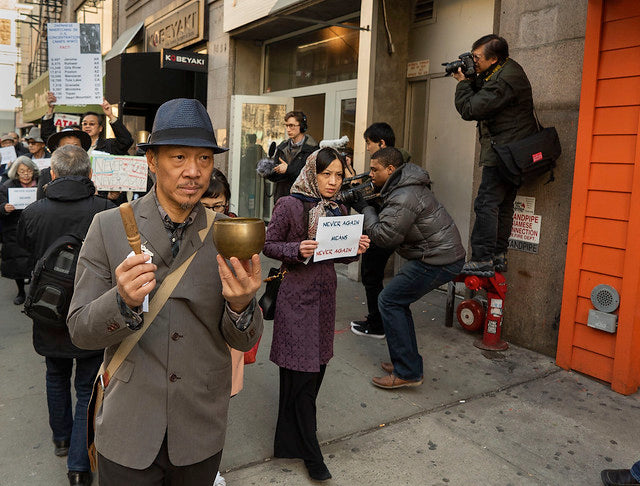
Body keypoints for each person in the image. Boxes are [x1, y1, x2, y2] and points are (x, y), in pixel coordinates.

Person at [66, 98, 263, 484]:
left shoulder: (228, 231)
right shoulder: (107, 227)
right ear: (152, 162)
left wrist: (241, 306)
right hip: (128, 427)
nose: (193, 172)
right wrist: (120, 301)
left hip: (200, 426)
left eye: (204, 159)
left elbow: (246, 339)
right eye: (178, 157)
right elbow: (80, 330)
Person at [263, 147, 370, 481]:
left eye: (339, 175)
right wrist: (296, 249)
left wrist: (355, 250)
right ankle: (312, 455)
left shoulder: (338, 207)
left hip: (324, 298)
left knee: (315, 371)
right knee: (302, 378)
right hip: (295, 299)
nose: (333, 181)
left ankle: (288, 442)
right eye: (327, 174)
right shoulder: (290, 204)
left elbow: (337, 255)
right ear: (312, 172)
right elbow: (267, 244)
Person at [17, 145, 115, 486]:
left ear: (53, 175)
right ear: (90, 175)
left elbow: (25, 250)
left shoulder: (33, 211)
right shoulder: (107, 209)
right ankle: (78, 466)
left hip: (48, 308)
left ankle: (61, 438)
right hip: (92, 308)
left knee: (54, 373)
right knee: (88, 385)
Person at [351, 147, 465, 389]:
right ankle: (407, 362)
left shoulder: (404, 195)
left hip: (439, 259)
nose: (370, 174)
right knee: (396, 302)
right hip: (438, 255)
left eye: (375, 169)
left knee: (389, 301)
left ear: (391, 169)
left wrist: (365, 208)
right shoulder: (402, 185)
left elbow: (384, 236)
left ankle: (408, 371)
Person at [452, 34, 538, 277]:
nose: (473, 61)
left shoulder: (506, 79)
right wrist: (471, 77)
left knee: (486, 203)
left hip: (504, 151)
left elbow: (471, 108)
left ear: (494, 58)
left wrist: (462, 82)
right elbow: (485, 93)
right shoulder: (504, 71)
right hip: (511, 151)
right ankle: (498, 256)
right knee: (501, 204)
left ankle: (482, 259)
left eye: (477, 57)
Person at [350, 122, 410, 339]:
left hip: (383, 232)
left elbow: (381, 204)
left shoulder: (394, 171)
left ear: (382, 143)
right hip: (382, 228)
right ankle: (377, 319)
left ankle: (378, 324)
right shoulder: (397, 167)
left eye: (369, 143)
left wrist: (364, 206)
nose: (366, 148)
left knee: (372, 276)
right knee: (372, 276)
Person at [42, 92, 134, 156]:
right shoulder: (74, 144)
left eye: (92, 124)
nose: (87, 126)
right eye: (85, 124)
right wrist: (50, 109)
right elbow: (47, 136)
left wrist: (110, 115)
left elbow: (126, 141)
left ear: (100, 128)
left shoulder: (108, 145)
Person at [0, 156, 39, 304]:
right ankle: (21, 291)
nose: (26, 174)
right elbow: (0, 208)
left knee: (36, 261)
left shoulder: (40, 185)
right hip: (14, 230)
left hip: (35, 229)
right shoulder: (6, 186)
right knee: (17, 263)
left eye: (29, 171)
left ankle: (35, 292)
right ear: (16, 172)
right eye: (22, 171)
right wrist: (4, 208)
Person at [270, 111, 318, 203]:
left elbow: (310, 176)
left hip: (302, 200)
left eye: (292, 125)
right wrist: (269, 171)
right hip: (281, 198)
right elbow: (276, 176)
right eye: (287, 125)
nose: (288, 129)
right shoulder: (282, 147)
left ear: (302, 127)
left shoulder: (312, 149)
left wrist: (288, 169)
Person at [37, 126, 92, 199]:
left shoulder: (88, 170)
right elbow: (41, 201)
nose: (71, 149)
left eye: (76, 146)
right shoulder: (46, 174)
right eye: (66, 146)